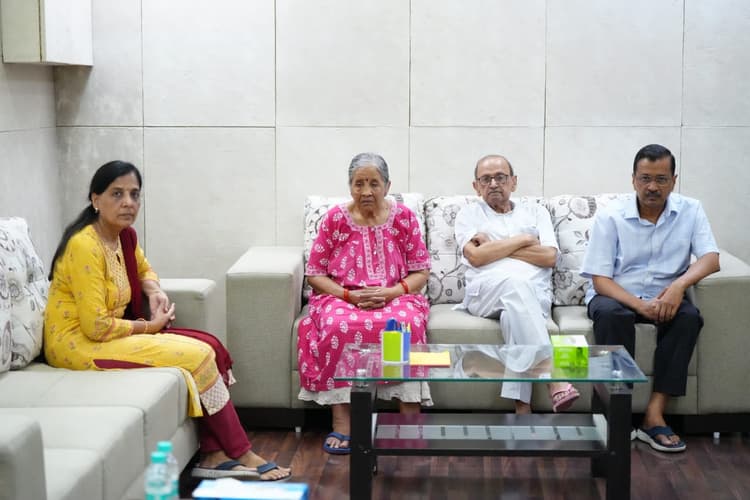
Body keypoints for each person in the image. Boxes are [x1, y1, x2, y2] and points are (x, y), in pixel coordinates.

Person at [43, 161, 291, 481]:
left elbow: (144, 269)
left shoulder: (123, 236)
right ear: (95, 199)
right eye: (117, 194)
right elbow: (96, 327)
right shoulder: (84, 245)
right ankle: (242, 452)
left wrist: (154, 290)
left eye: (134, 194)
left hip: (110, 333)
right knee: (197, 355)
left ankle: (214, 454)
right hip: (77, 344)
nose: (128, 202)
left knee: (210, 346)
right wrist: (151, 326)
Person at [581, 144, 720, 453]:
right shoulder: (611, 215)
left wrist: (679, 286)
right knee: (613, 316)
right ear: (633, 179)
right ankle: (617, 414)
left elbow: (711, 258)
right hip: (616, 294)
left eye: (661, 179)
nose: (652, 187)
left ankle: (654, 415)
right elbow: (600, 280)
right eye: (645, 178)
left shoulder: (691, 210)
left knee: (689, 318)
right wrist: (639, 305)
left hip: (665, 295)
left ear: (673, 180)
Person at [297, 152, 432, 454]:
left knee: (405, 325)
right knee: (338, 324)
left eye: (374, 183)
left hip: (395, 294)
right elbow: (315, 274)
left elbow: (421, 270)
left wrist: (391, 293)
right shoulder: (335, 219)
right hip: (342, 296)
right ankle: (343, 423)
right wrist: (349, 296)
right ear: (350, 187)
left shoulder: (404, 217)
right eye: (359, 184)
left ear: (387, 186)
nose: (366, 191)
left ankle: (409, 418)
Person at [454, 154, 580, 414]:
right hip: (484, 294)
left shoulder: (536, 212)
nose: (493, 184)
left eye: (500, 177)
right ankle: (553, 377)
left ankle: (522, 409)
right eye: (485, 179)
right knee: (515, 285)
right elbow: (476, 257)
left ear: (513, 181)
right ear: (476, 186)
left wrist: (494, 247)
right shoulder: (468, 214)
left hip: (535, 295)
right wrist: (524, 239)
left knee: (514, 314)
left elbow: (549, 257)